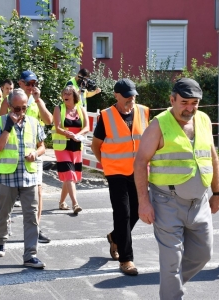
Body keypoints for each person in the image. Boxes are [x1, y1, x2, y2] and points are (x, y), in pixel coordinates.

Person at [134, 78, 219, 299]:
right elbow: (141, 161)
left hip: (199, 203)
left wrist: (217, 193)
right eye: (184, 102)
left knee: (203, 255)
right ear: (172, 100)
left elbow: (212, 157)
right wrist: (144, 202)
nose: (189, 108)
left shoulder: (204, 120)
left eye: (194, 103)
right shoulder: (158, 125)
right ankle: (172, 294)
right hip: (166, 203)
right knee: (171, 262)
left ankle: (172, 288)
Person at [91, 79, 149, 276]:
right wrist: (106, 164)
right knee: (122, 213)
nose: (131, 99)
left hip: (138, 171)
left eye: (133, 95)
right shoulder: (106, 116)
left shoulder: (143, 111)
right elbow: (96, 145)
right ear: (116, 95)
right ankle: (126, 259)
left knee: (137, 212)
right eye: (126, 96)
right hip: (116, 172)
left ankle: (115, 236)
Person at [0, 88, 46, 268]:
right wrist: (8, 127)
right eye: (17, 109)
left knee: (31, 216)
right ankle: (1, 241)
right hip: (8, 176)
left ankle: (30, 254)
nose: (21, 112)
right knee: (4, 211)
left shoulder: (33, 122)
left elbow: (42, 146)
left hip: (29, 175)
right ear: (8, 106)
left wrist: (35, 154)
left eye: (23, 108)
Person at [0, 70, 53, 243]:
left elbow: (49, 120)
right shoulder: (11, 99)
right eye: (29, 83)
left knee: (37, 191)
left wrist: (38, 100)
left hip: (32, 153)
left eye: (34, 84)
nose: (32, 87)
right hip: (12, 154)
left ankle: (35, 228)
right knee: (8, 200)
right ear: (21, 83)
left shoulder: (37, 101)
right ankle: (4, 231)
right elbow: (1, 119)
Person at [52, 85, 89, 214]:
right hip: (62, 147)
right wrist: (69, 134)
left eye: (69, 93)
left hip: (76, 146)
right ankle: (75, 204)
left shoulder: (81, 109)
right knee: (69, 174)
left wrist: (79, 135)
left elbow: (87, 127)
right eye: (64, 93)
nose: (66, 95)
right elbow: (57, 127)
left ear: (74, 96)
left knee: (70, 177)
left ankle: (62, 202)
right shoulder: (58, 109)